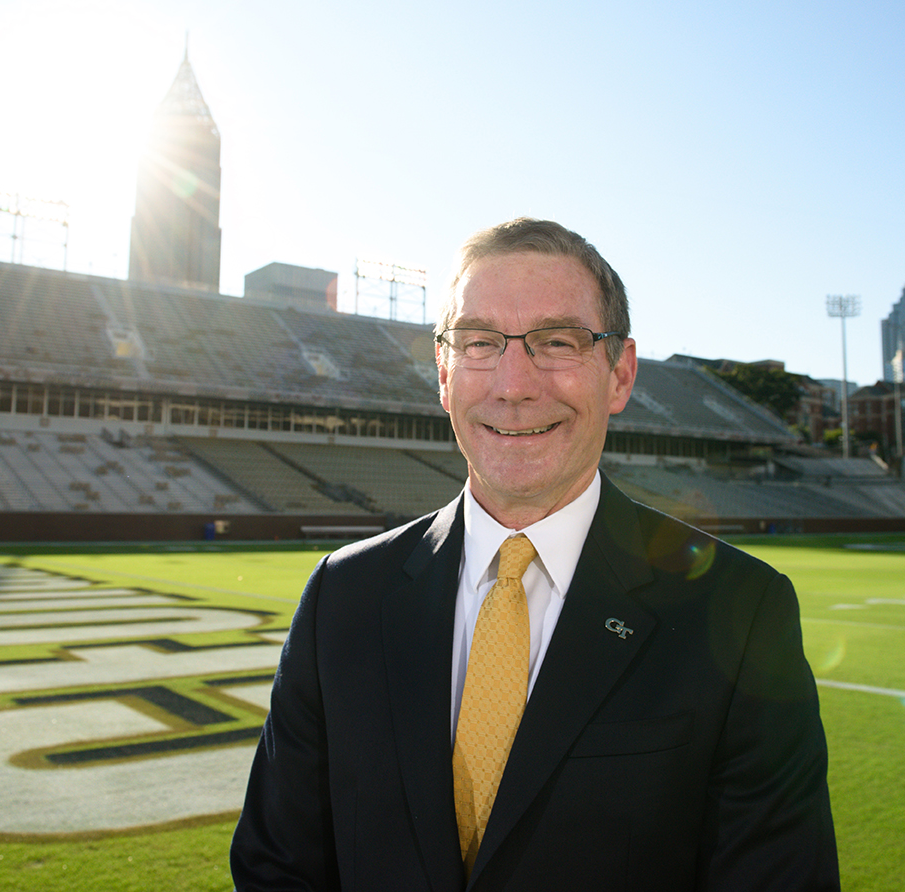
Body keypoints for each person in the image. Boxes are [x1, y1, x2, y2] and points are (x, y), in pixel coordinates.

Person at [230, 218, 840, 891]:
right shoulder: (342, 595)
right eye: (479, 342)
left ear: (620, 373)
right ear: (443, 371)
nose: (513, 384)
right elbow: (277, 866)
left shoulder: (740, 608)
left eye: (558, 341)